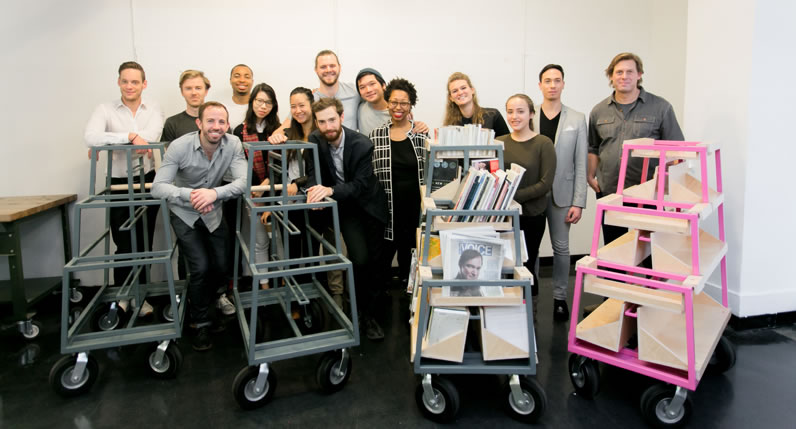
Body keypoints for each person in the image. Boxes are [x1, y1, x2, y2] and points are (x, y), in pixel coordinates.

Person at [152, 101, 247, 351]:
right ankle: (200, 323)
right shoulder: (179, 146)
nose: (216, 127)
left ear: (227, 125)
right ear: (199, 123)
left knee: (222, 264)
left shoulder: (233, 143)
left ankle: (210, 307)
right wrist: (191, 195)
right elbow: (158, 186)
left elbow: (244, 181)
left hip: (213, 211)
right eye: (210, 121)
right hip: (184, 214)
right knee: (200, 267)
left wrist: (213, 194)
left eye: (221, 122)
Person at [304, 98, 389, 341]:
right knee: (359, 259)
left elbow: (361, 186)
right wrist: (314, 191)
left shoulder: (362, 144)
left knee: (372, 262)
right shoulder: (315, 140)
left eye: (332, 120)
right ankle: (357, 310)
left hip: (370, 206)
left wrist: (328, 191)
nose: (328, 126)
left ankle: (368, 317)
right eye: (322, 121)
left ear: (341, 118)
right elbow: (313, 174)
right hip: (347, 207)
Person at [84, 61, 164, 317]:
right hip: (117, 182)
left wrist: (112, 139)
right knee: (123, 242)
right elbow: (91, 136)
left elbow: (152, 135)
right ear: (118, 82)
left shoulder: (153, 109)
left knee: (143, 241)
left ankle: (141, 297)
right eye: (125, 81)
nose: (130, 86)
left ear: (144, 84)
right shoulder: (105, 109)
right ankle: (123, 295)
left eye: (135, 81)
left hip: (147, 180)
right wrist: (129, 137)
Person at [587, 52, 684, 245]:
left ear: (639, 74)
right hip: (611, 191)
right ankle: (616, 276)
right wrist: (590, 176)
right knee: (614, 248)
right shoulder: (599, 111)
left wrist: (667, 187)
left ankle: (648, 276)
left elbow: (676, 150)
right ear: (611, 76)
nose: (624, 76)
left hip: (649, 193)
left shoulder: (661, 107)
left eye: (630, 71)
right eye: (619, 72)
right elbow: (593, 147)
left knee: (651, 249)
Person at [532, 64, 588, 322]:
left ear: (563, 84)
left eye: (557, 80)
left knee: (561, 249)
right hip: (532, 193)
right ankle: (528, 295)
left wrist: (579, 201)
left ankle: (559, 299)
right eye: (547, 80)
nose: (552, 85)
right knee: (528, 248)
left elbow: (580, 163)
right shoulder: (529, 116)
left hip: (562, 195)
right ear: (540, 85)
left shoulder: (577, 118)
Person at [496, 94, 556, 322]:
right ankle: (505, 311)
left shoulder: (543, 143)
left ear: (531, 114)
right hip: (503, 216)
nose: (514, 116)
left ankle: (529, 313)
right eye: (510, 111)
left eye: (520, 111)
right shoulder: (499, 142)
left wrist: (513, 196)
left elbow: (545, 184)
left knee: (527, 264)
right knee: (503, 264)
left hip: (532, 215)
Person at [369, 78, 427, 286]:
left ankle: (411, 299)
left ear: (411, 105)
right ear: (387, 102)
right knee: (381, 259)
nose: (398, 107)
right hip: (387, 210)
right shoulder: (376, 136)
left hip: (415, 208)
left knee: (411, 257)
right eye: (394, 102)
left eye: (404, 103)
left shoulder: (421, 134)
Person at [232, 83, 281, 291]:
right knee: (260, 240)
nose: (263, 106)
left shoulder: (277, 129)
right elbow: (239, 165)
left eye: (268, 102)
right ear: (252, 102)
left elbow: (281, 164)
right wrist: (256, 190)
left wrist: (267, 185)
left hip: (277, 189)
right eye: (259, 101)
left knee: (281, 238)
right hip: (252, 191)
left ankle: (284, 281)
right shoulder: (239, 131)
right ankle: (264, 285)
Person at [268, 87, 317, 263]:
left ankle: (312, 286)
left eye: (302, 105)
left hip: (311, 199)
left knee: (312, 249)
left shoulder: (320, 134)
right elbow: (279, 167)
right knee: (291, 251)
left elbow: (322, 170)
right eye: (293, 106)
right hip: (288, 200)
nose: (298, 110)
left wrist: (298, 183)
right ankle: (293, 287)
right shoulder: (287, 134)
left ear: (312, 105)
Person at [443, 72, 509, 136]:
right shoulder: (450, 125)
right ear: (451, 98)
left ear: (472, 90)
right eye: (455, 91)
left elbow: (506, 144)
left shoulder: (493, 115)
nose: (460, 92)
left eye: (463, 88)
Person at [313, 50, 360, 130]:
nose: (328, 70)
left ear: (339, 67)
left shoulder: (355, 91)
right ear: (316, 70)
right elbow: (290, 122)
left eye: (332, 66)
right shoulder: (310, 98)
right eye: (323, 67)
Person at [162, 70, 210, 143]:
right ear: (182, 92)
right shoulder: (172, 123)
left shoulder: (219, 121)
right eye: (188, 88)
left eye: (198, 88)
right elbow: (167, 153)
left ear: (206, 91)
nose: (194, 93)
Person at [225, 64, 253, 129]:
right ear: (230, 80)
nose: (242, 80)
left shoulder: (261, 108)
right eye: (237, 76)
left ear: (252, 81)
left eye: (247, 77)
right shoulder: (222, 109)